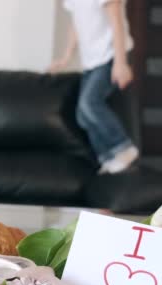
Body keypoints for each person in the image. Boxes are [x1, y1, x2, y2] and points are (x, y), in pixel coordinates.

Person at [49, 0, 139, 174]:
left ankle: (123, 147)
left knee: (89, 104)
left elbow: (117, 22)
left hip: (111, 57)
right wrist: (66, 58)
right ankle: (107, 157)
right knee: (82, 116)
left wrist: (120, 63)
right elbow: (76, 24)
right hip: (92, 61)